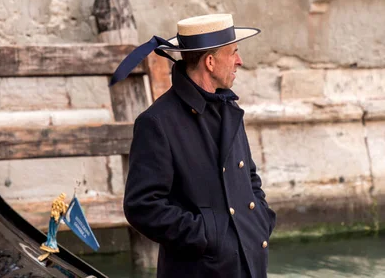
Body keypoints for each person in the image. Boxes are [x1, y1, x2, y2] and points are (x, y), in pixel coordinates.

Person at [111, 14, 276, 278]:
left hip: (249, 265)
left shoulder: (229, 108)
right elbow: (142, 207)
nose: (240, 61)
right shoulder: (156, 122)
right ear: (210, 62)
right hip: (200, 270)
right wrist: (209, 236)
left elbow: (249, 179)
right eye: (233, 52)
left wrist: (260, 221)